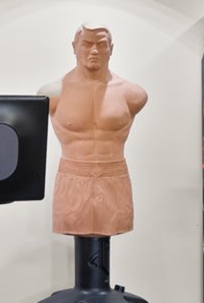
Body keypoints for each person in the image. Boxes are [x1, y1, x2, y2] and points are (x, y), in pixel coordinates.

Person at [41, 25, 148, 236]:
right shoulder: (52, 93)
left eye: (101, 45)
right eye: (87, 44)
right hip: (72, 180)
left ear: (111, 49)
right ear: (74, 47)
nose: (94, 51)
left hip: (114, 180)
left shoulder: (132, 94)